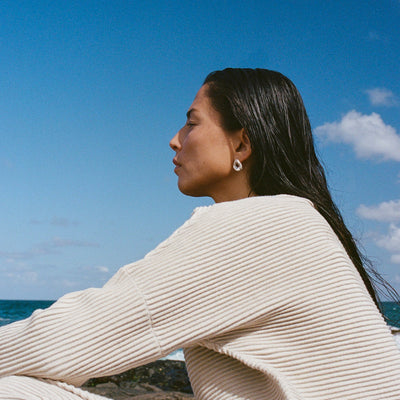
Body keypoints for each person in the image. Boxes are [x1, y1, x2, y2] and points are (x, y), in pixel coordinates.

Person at [1, 68, 399, 399]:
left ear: (242, 144)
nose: (175, 139)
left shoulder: (260, 226)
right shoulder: (298, 220)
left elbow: (79, 334)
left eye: (192, 123)